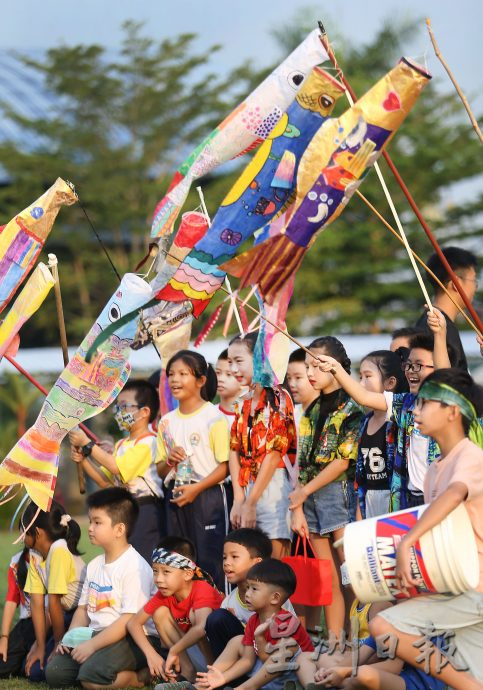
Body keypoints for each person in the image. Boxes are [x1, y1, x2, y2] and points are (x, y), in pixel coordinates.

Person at [371, 367, 483, 689]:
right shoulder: (434, 470)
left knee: (383, 627)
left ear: (452, 411)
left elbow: (455, 493)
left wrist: (407, 542)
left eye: (425, 404)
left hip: (475, 587)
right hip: (455, 583)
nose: (415, 412)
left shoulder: (470, 456)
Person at [316, 313, 453, 512]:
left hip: (438, 497)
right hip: (408, 499)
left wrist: (440, 335)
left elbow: (444, 379)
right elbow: (363, 396)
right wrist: (336, 369)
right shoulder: (403, 404)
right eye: (409, 365)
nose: (411, 371)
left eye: (419, 366)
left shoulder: (444, 405)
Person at [45, 486, 158, 689]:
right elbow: (83, 609)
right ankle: (98, 666)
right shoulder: (95, 565)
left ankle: (140, 677)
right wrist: (70, 639)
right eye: (91, 521)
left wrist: (92, 646)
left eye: (97, 522)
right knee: (55, 674)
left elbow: (128, 619)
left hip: (131, 638)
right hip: (96, 635)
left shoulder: (134, 566)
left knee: (90, 678)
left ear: (119, 529)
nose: (90, 528)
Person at [289, 336, 363, 638]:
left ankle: (360, 640)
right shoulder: (312, 408)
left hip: (340, 496)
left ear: (335, 366)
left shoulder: (353, 404)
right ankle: (335, 643)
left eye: (317, 366)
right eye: (308, 367)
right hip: (313, 499)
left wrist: (302, 494)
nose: (310, 374)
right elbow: (304, 461)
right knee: (328, 578)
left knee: (352, 576)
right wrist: (300, 505)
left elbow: (344, 460)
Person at [156, 350, 231, 591]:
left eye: (182, 374)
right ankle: (187, 617)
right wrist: (169, 461)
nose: (175, 380)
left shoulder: (214, 418)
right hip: (176, 497)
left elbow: (225, 467)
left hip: (208, 497)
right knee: (179, 562)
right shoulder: (166, 422)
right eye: (171, 374)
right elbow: (159, 470)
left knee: (211, 559)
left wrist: (196, 489)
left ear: (200, 380)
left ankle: (216, 617)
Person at [69, 379, 163, 563]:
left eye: (125, 407)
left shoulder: (149, 442)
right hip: (125, 509)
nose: (119, 413)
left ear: (144, 412)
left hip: (145, 509)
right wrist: (84, 459)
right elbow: (105, 480)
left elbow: (115, 467)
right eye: (118, 407)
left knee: (142, 560)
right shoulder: (121, 444)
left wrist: (87, 444)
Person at [229, 331, 297, 560]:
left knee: (273, 567)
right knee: (251, 566)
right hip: (247, 486)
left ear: (259, 360)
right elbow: (234, 450)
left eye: (239, 361)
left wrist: (251, 501)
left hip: (273, 487)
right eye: (230, 362)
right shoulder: (241, 402)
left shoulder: (278, 397)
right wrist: (239, 499)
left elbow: (275, 454)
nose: (233, 369)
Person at [196, 559, 313, 690]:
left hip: (292, 676)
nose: (247, 594)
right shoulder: (254, 620)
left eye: (254, 589)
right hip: (266, 675)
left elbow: (276, 666)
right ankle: (208, 681)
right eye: (248, 588)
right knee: (237, 641)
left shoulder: (287, 623)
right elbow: (248, 660)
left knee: (290, 649)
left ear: (275, 598)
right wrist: (224, 678)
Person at [127, 536, 223, 684]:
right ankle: (188, 674)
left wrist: (174, 650)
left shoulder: (202, 589)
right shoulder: (165, 593)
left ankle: (211, 677)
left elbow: (201, 629)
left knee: (195, 618)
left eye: (166, 572)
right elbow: (133, 623)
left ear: (187, 574)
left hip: (221, 657)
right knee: (159, 613)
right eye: (155, 571)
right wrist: (151, 654)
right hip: (193, 651)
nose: (158, 579)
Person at [22, 500, 85, 682]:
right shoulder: (35, 554)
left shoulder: (59, 550)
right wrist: (40, 645)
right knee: (33, 671)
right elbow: (36, 602)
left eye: (24, 531)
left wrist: (59, 643)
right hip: (62, 616)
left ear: (38, 533)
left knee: (48, 671)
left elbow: (55, 602)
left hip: (81, 616)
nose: (21, 536)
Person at [205, 528, 275, 658]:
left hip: (272, 661)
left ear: (256, 563)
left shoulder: (274, 596)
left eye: (234, 557)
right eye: (224, 557)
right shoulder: (229, 602)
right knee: (217, 618)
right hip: (244, 661)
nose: (227, 563)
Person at [356, 350, 407, 519]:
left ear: (390, 382)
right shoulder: (364, 422)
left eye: (367, 376)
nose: (361, 383)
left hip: (393, 499)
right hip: (370, 498)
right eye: (360, 377)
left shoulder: (397, 421)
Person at [414, 246, 478, 371]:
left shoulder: (428, 323)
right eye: (474, 280)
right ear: (456, 284)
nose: (476, 287)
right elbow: (447, 383)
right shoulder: (438, 328)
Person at [0, 544, 41, 679]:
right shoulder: (17, 562)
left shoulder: (51, 558)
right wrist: (4, 637)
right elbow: (12, 598)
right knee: (3, 665)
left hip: (47, 622)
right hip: (26, 623)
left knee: (34, 671)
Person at [286, 348, 319, 430]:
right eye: (289, 378)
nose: (291, 384)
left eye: (298, 377)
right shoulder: (289, 415)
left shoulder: (326, 417)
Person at [215, 348, 243, 425]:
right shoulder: (207, 415)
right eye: (218, 372)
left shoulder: (254, 417)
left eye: (228, 374)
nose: (220, 379)